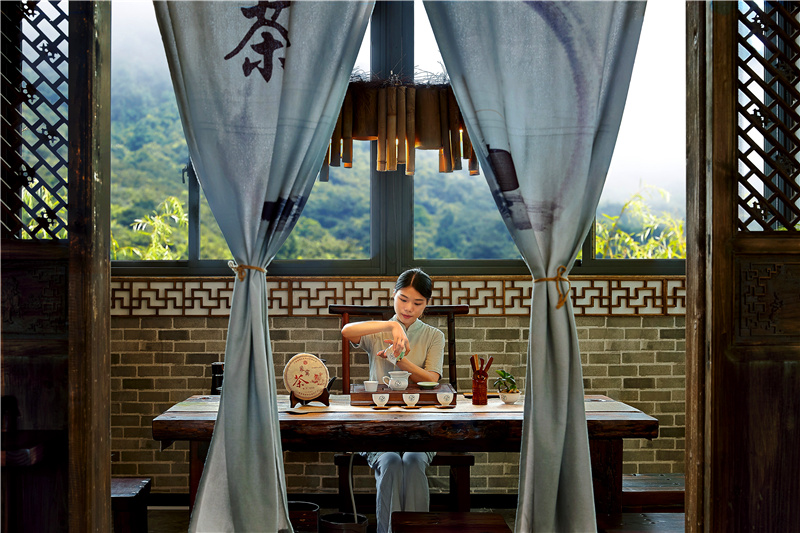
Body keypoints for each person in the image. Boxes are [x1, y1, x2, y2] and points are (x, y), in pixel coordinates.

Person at [341, 268, 445, 533]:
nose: (409, 308)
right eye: (403, 299)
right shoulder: (379, 331)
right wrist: (391, 325)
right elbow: (347, 330)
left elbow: (432, 379)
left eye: (418, 302)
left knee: (413, 461)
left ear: (427, 303)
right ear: (393, 296)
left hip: (421, 426)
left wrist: (399, 360)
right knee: (389, 462)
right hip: (379, 425)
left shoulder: (434, 336)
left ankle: (416, 531)